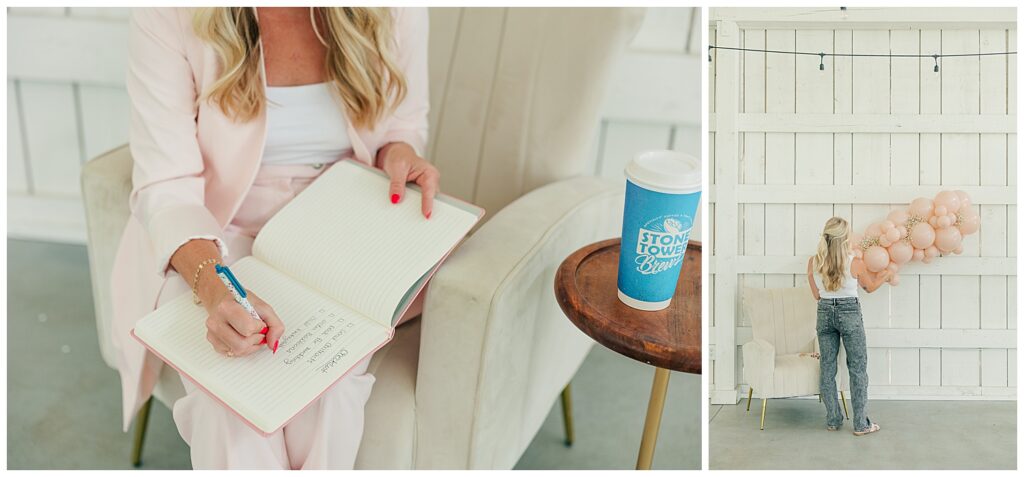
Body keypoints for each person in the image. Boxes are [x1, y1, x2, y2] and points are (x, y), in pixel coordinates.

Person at [109, 6, 433, 469]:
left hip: (343, 235)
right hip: (213, 233)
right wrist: (214, 286)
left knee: (329, 391)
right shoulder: (167, 12)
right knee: (228, 399)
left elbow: (404, 125)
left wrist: (400, 153)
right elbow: (166, 182)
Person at [805, 217, 889, 436]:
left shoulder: (813, 262)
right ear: (844, 237)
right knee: (858, 368)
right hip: (849, 313)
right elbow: (869, 288)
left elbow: (816, 295)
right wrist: (885, 275)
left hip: (824, 312)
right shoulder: (855, 262)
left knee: (828, 368)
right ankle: (861, 424)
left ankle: (833, 419)